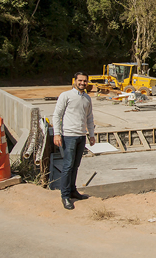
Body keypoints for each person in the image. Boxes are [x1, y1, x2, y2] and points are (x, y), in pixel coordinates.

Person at [53, 71, 96, 210]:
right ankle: (65, 196)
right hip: (69, 136)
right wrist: (57, 134)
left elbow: (89, 118)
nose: (82, 83)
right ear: (75, 81)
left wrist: (91, 134)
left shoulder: (87, 98)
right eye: (80, 80)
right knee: (67, 166)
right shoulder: (66, 96)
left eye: (85, 81)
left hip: (81, 136)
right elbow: (57, 115)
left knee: (76, 165)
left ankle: (72, 190)